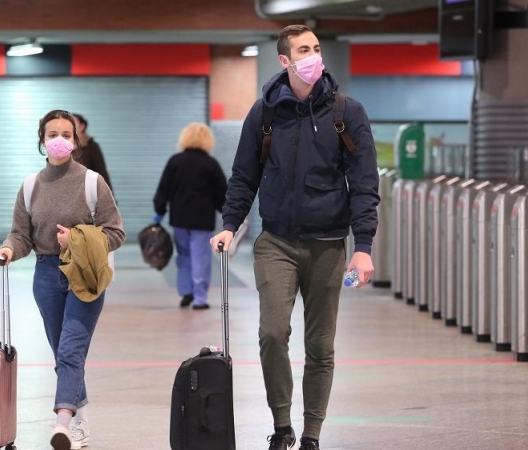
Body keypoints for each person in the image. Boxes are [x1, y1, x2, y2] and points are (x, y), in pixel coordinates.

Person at [209, 25, 380, 450]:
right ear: (284, 60)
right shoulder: (265, 113)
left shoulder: (346, 112)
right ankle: (282, 425)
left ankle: (312, 435)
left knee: (320, 345)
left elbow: (363, 183)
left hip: (328, 245)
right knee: (271, 333)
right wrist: (230, 225)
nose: (314, 56)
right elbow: (243, 176)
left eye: (317, 48)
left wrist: (363, 248)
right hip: (277, 242)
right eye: (304, 50)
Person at [0, 110, 125, 450]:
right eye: (53, 133)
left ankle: (62, 422)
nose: (60, 140)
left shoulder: (92, 182)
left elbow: (116, 233)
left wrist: (78, 240)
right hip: (46, 274)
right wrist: (9, 249)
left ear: (76, 140)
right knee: (64, 354)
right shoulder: (30, 186)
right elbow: (21, 234)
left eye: (67, 134)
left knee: (70, 349)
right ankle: (81, 421)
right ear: (42, 140)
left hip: (84, 274)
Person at [153, 122, 227, 309]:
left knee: (184, 255)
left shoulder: (175, 161)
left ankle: (186, 291)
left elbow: (164, 189)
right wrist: (227, 214)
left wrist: (159, 211)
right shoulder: (210, 164)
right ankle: (200, 298)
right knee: (200, 257)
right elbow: (222, 193)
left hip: (179, 218)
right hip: (202, 220)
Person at [71, 113, 114, 194]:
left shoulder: (91, 147)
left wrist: (109, 199)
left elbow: (101, 172)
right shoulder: (62, 148)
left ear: (82, 127)